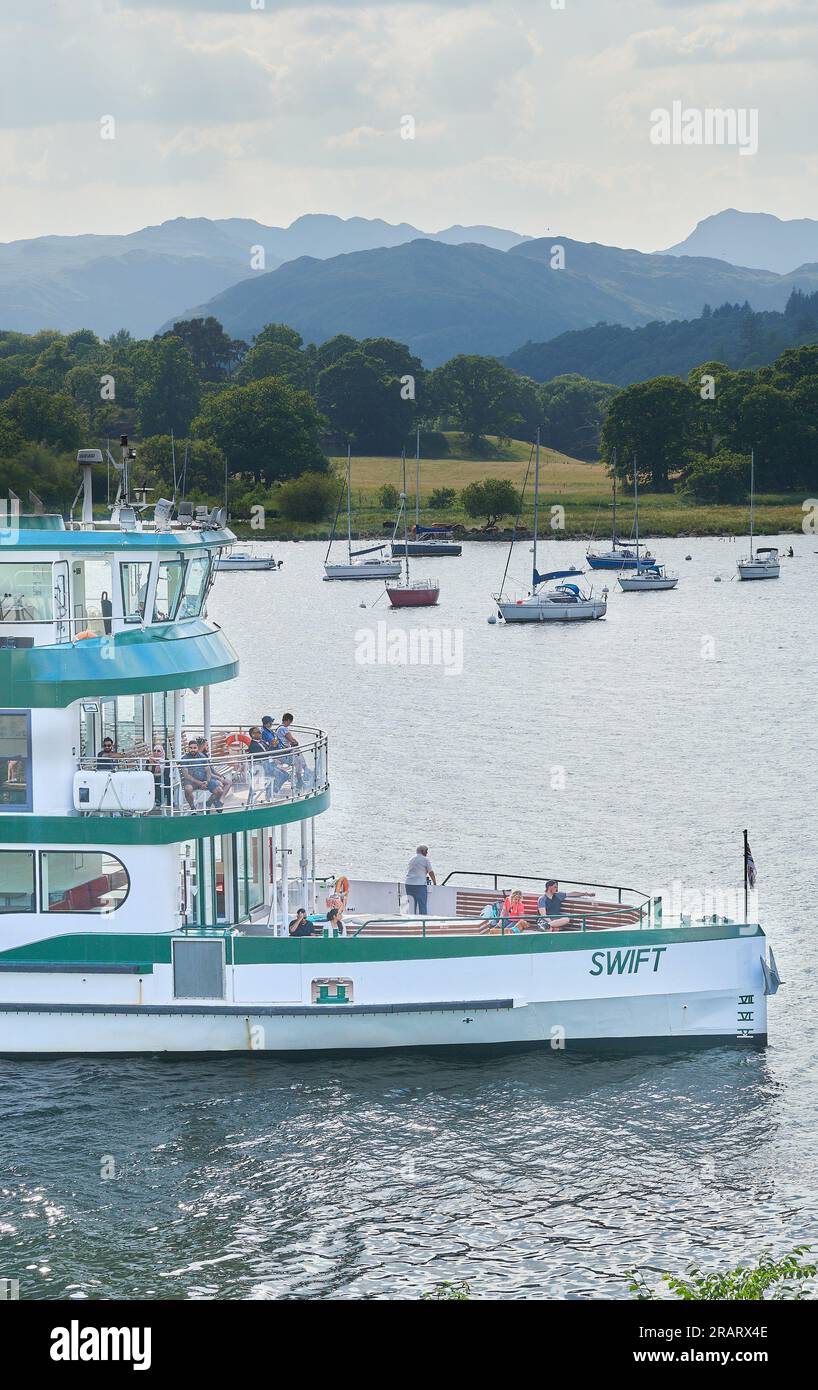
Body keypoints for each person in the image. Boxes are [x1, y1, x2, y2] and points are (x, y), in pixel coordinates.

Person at [180, 738, 224, 811]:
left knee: (219, 791)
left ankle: (208, 803)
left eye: (194, 748)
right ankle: (192, 807)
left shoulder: (202, 757)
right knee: (187, 789)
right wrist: (199, 783)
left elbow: (208, 771)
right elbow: (186, 775)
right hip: (192, 782)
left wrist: (207, 781)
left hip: (204, 780)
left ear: (197, 748)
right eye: (191, 748)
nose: (192, 749)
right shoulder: (184, 758)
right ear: (188, 748)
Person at [405, 845, 435, 915]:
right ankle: (423, 922)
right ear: (422, 851)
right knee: (422, 905)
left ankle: (411, 921)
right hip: (419, 885)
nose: (427, 853)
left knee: (412, 906)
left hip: (408, 884)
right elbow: (431, 872)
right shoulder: (425, 860)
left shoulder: (411, 859)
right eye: (426, 851)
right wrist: (434, 882)